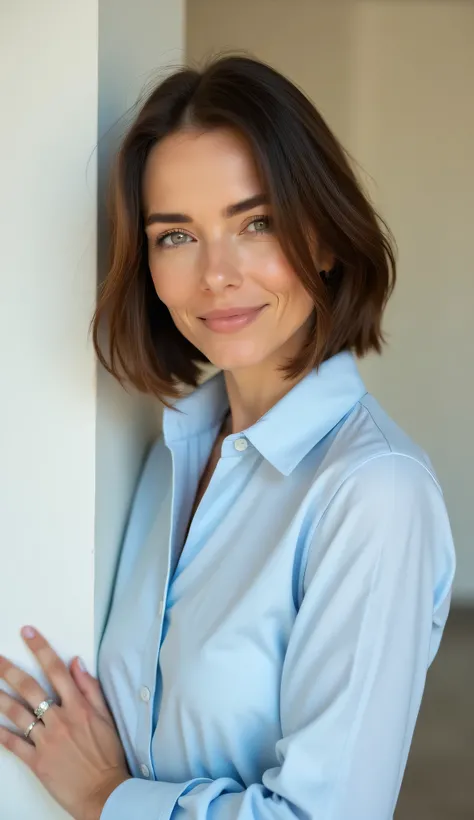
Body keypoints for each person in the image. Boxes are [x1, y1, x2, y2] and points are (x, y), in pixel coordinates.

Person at [0, 55, 455, 820]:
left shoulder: (374, 493)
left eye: (257, 222)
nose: (217, 274)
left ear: (325, 239)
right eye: (175, 236)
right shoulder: (170, 454)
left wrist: (109, 798)